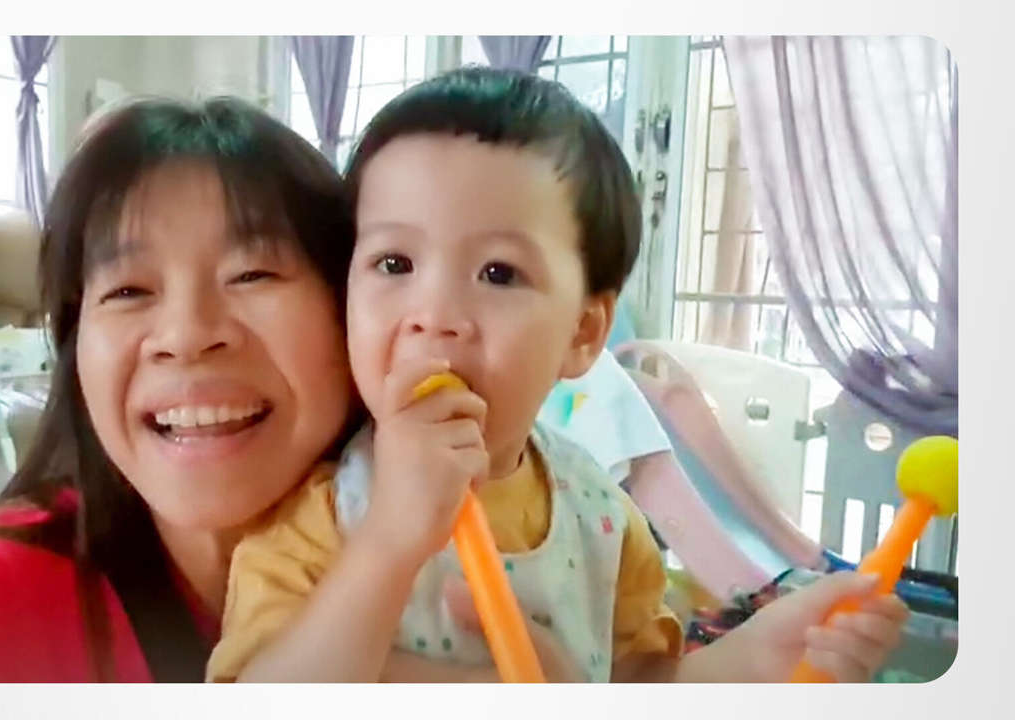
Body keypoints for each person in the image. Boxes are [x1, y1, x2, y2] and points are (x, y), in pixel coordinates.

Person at [207, 67, 908, 683]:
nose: (435, 315)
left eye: (498, 273)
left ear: (583, 332)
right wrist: (390, 540)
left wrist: (748, 666)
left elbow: (638, 686)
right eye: (395, 263)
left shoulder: (600, 516)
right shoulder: (315, 521)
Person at [0, 96, 360, 682]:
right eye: (129, 291)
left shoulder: (415, 540)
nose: (186, 336)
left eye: (253, 274)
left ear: (353, 312)